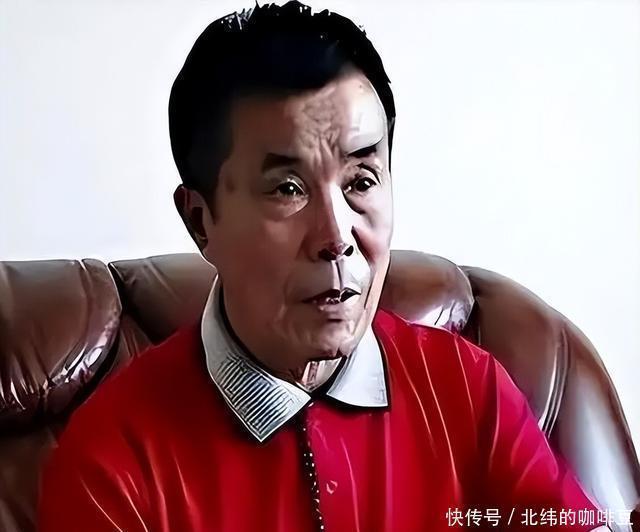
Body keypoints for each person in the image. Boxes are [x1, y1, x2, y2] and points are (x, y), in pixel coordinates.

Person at [38, 2, 608, 531]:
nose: (337, 238)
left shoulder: (466, 388)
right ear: (200, 221)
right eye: (287, 189)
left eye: (361, 180)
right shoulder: (112, 466)